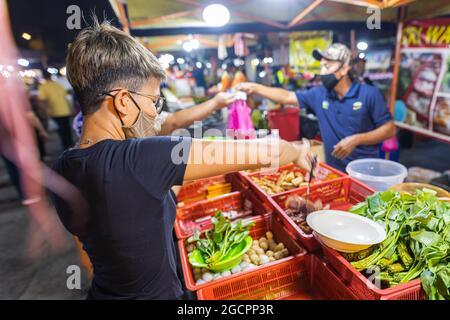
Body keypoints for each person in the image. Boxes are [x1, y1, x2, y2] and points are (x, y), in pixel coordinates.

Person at [51, 20, 313, 300]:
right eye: (153, 101)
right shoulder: (141, 160)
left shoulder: (62, 169)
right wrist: (296, 151)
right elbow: (262, 153)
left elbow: (121, 219)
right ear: (124, 102)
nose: (155, 113)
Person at [236, 43, 396, 172]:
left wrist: (356, 139)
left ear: (345, 68)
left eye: (328, 66)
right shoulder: (320, 94)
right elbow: (286, 96)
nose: (322, 71)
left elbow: (389, 129)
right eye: (321, 66)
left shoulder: (369, 94)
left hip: (365, 171)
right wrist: (254, 87)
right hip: (335, 170)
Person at [38, 70, 73, 149]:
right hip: (65, 110)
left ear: (43, 77)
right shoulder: (58, 84)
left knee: (61, 130)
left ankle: (66, 147)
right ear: (50, 76)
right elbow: (66, 96)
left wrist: (46, 112)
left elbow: (43, 100)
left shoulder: (43, 86)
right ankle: (71, 144)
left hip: (54, 111)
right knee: (67, 128)